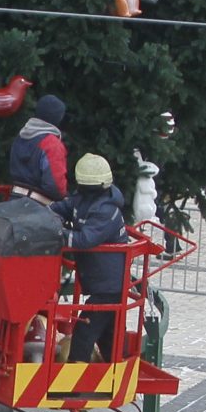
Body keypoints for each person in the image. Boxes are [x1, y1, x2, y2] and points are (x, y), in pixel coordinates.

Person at [53, 153, 131, 363]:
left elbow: (85, 239)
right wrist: (46, 215)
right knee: (108, 335)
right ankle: (115, 374)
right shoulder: (85, 198)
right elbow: (63, 207)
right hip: (103, 283)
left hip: (109, 287)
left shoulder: (106, 211)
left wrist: (53, 231)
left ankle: (73, 382)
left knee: (85, 332)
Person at [7, 94, 69, 202]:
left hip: (14, 199)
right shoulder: (51, 143)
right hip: (38, 206)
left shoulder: (21, 136)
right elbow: (55, 186)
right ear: (58, 118)